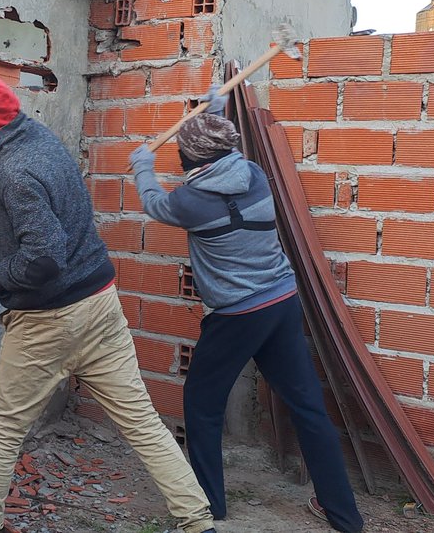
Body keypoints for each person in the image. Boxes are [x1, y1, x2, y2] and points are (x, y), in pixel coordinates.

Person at [0, 75, 216, 533]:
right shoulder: (39, 140)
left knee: (6, 427)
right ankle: (197, 519)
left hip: (48, 320)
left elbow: (43, 257)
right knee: (142, 422)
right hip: (101, 304)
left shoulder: (15, 172)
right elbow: (32, 192)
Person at [128, 84, 364, 533]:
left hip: (236, 315)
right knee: (308, 406)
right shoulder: (253, 174)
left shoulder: (189, 202)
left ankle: (206, 509)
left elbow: (154, 202)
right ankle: (345, 517)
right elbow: (220, 158)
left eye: (182, 153)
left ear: (192, 161)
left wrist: (143, 166)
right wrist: (213, 115)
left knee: (202, 405)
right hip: (280, 300)